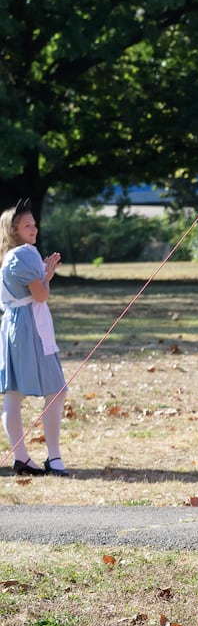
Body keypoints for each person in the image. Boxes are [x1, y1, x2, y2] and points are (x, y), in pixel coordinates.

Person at [1, 204, 68, 477]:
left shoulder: (11, 256)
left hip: (15, 325)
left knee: (14, 394)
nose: (34, 228)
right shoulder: (23, 255)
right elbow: (40, 295)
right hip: (29, 326)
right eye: (27, 225)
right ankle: (53, 457)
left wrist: (44, 275)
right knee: (57, 389)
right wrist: (48, 275)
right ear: (14, 230)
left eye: (34, 224)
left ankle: (22, 458)